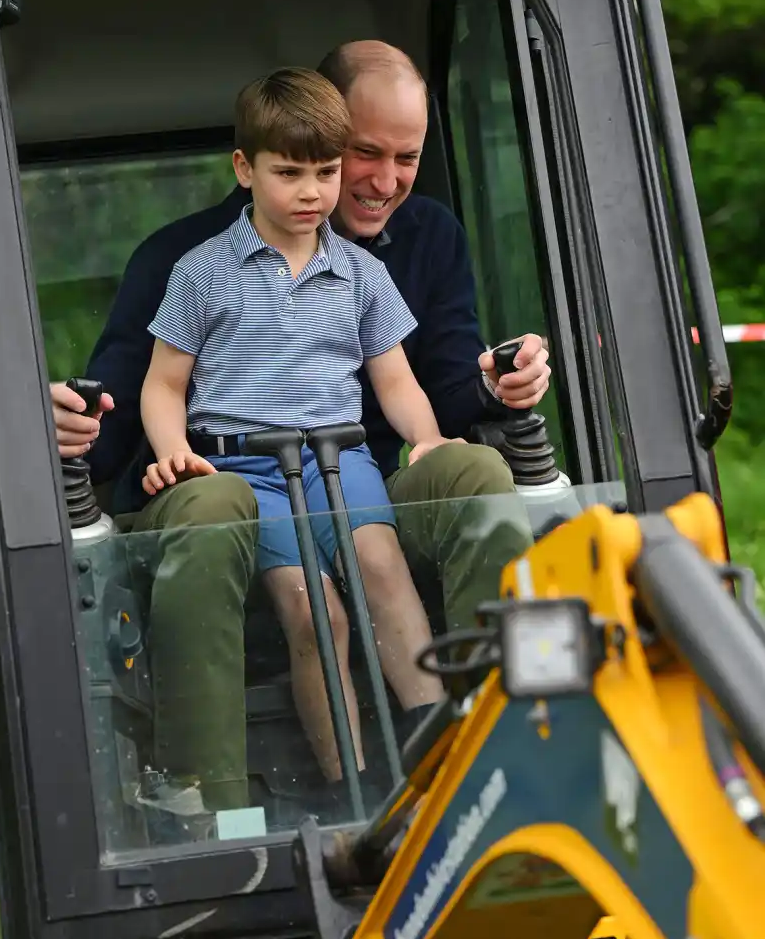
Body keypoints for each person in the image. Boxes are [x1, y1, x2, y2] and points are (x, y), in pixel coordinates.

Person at [52, 40, 550, 817]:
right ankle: (231, 805)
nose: (379, 182)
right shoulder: (190, 265)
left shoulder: (405, 252)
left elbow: (418, 383)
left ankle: (486, 756)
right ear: (258, 162)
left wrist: (490, 390)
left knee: (470, 486)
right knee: (303, 599)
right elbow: (141, 395)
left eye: (406, 159)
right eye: (358, 156)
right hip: (236, 477)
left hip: (354, 468)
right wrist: (82, 429)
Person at [140, 67, 445, 794]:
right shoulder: (202, 273)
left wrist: (427, 439)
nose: (312, 192)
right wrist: (173, 453)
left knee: (382, 572)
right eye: (290, 173)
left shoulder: (362, 272)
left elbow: (394, 379)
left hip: (341, 458)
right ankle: (357, 785)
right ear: (245, 169)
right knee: (314, 611)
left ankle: (443, 759)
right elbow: (163, 384)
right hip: (247, 471)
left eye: (327, 172)